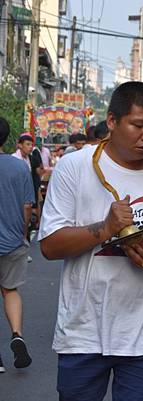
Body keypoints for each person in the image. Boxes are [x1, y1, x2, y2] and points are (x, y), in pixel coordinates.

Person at [38, 81, 143, 401]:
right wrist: (106, 227)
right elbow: (50, 245)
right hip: (83, 330)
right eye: (138, 125)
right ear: (112, 121)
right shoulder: (74, 167)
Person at [0, 117, 35, 373]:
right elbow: (27, 207)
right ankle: (17, 333)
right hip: (12, 241)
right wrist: (22, 234)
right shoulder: (19, 167)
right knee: (10, 290)